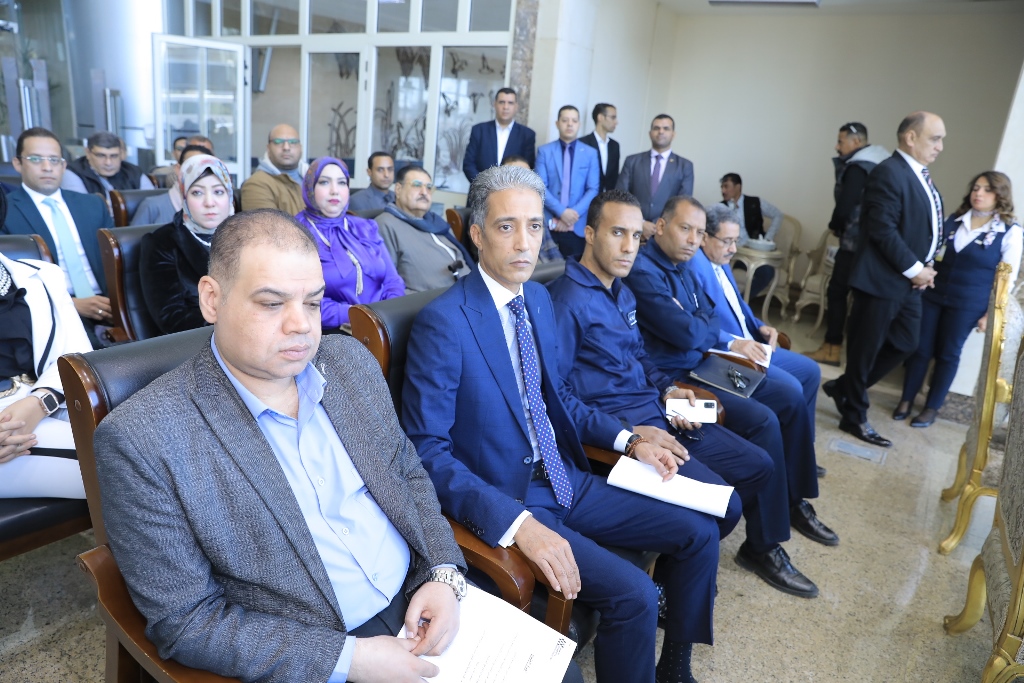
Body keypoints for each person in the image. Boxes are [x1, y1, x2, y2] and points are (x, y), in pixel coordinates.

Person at [94, 208, 469, 682]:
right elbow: (186, 621)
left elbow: (406, 473)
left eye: (313, 302)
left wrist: (443, 574)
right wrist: (348, 660)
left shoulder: (350, 363)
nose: (302, 325)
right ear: (212, 299)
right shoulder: (142, 439)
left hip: (421, 597)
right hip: (311, 648)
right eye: (272, 303)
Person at [403, 165, 721, 683]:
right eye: (507, 226)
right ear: (477, 234)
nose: (524, 242)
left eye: (535, 226)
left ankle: (675, 665)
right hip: (512, 496)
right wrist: (518, 524)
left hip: (565, 475)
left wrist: (630, 440)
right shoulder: (445, 322)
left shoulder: (538, 299)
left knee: (698, 531)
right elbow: (427, 453)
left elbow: (560, 399)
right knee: (636, 595)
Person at [548, 191, 827, 598]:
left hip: (660, 405)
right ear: (589, 234)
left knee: (759, 465)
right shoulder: (566, 300)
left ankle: (707, 559)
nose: (629, 247)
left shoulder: (621, 291)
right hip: (626, 426)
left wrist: (670, 389)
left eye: (635, 236)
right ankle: (675, 579)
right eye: (617, 233)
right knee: (728, 506)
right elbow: (558, 397)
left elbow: (641, 356)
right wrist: (628, 434)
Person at [625, 197, 838, 558]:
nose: (692, 240)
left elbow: (707, 317)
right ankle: (763, 545)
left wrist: (698, 324)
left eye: (698, 232)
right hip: (678, 376)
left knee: (789, 396)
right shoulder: (644, 271)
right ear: (660, 226)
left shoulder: (684, 265)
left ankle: (794, 499)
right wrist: (698, 324)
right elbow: (687, 333)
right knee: (764, 421)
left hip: (704, 362)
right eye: (684, 229)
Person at [824, 112, 946, 448]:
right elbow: (882, 229)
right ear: (910, 137)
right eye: (935, 138)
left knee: (906, 343)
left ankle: (844, 388)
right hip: (881, 280)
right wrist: (915, 269)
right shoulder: (888, 171)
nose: (940, 146)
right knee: (864, 351)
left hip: (909, 282)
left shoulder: (919, 174)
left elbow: (925, 228)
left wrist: (926, 268)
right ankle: (854, 416)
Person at [896, 171, 1022, 427]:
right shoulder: (954, 220)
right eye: (976, 188)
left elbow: (1006, 279)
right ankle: (906, 399)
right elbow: (933, 253)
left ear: (1000, 195)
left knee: (948, 353)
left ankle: (931, 407)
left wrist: (990, 314)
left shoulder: (1009, 231)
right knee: (920, 349)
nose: (979, 193)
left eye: (987, 189)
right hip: (933, 295)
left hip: (968, 304)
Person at [0, 183, 91, 499]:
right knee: (129, 472)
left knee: (157, 446)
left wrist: (39, 402)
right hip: (7, 437)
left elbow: (76, 355)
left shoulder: (42, 275)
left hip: (47, 403)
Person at [2, 127, 114, 347]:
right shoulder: (5, 211)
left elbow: (115, 262)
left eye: (54, 160)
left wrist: (118, 303)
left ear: (63, 165)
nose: (47, 167)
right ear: (18, 163)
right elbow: (9, 280)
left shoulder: (93, 204)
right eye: (36, 159)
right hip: (50, 309)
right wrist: (70, 303)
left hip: (108, 301)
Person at [805, 123, 890, 366]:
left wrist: (835, 225)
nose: (837, 146)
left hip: (854, 244)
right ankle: (856, 358)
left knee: (837, 292)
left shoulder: (858, 166)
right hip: (876, 246)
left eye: (840, 141)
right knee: (861, 301)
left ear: (856, 142)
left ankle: (831, 348)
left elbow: (845, 205)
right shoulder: (883, 163)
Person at [294, 157, 404, 330]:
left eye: (341, 182)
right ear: (310, 188)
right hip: (332, 332)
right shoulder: (295, 233)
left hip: (385, 325)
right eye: (324, 182)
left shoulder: (366, 227)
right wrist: (359, 315)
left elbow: (393, 280)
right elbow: (300, 300)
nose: (334, 191)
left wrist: (388, 312)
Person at [139, 154, 234, 335]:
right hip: (199, 341)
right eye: (197, 192)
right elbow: (171, 317)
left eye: (218, 192)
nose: (209, 202)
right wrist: (234, 325)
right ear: (184, 196)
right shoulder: (161, 243)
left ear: (229, 196)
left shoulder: (246, 236)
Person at [376, 166, 473, 293]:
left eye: (428, 187)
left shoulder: (436, 221)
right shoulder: (384, 225)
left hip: (469, 292)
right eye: (417, 185)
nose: (424, 192)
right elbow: (386, 285)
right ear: (398, 189)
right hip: (432, 301)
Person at [535, 105, 600, 259]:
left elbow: (593, 189)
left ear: (579, 124)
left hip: (577, 225)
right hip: (550, 224)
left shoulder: (590, 153)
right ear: (557, 123)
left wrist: (572, 215)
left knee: (574, 268)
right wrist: (562, 212)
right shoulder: (544, 151)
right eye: (565, 120)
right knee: (545, 269)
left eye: (574, 121)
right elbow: (540, 187)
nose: (570, 124)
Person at [616, 114, 693, 238]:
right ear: (650, 133)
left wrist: (658, 224)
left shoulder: (685, 166)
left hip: (665, 233)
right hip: (630, 230)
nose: (661, 131)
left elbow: (683, 204)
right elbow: (620, 196)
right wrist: (641, 223)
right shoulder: (632, 161)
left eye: (666, 128)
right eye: (656, 128)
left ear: (673, 134)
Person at [719, 173, 785, 296]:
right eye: (722, 187)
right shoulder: (721, 207)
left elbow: (778, 215)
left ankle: (740, 301)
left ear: (738, 187)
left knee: (767, 273)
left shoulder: (755, 202)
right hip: (731, 254)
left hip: (753, 254)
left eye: (726, 186)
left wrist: (768, 238)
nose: (723, 191)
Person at [462, 88, 537, 182]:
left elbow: (528, 168)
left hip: (512, 189)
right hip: (481, 188)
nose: (505, 107)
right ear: (494, 104)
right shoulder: (479, 130)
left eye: (510, 103)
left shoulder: (527, 135)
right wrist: (483, 185)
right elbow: (468, 164)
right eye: (502, 102)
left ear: (516, 106)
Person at [131, 143, 214, 227]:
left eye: (205, 168)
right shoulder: (152, 206)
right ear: (178, 169)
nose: (198, 172)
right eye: (191, 166)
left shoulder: (216, 207)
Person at [240, 123, 308, 214]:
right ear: (268, 148)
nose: (286, 147)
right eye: (278, 142)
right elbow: (266, 223)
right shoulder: (256, 184)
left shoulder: (314, 178)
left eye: (293, 142)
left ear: (300, 147)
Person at [64, 131, 156, 195]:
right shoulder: (73, 173)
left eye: (114, 156)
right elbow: (83, 209)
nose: (108, 163)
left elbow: (153, 202)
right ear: (88, 153)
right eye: (101, 156)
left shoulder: (133, 172)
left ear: (121, 154)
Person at [579, 103, 620, 193]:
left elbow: (614, 177)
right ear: (600, 117)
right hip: (586, 196)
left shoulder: (615, 146)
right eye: (613, 117)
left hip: (608, 197)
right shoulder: (582, 143)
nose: (616, 122)